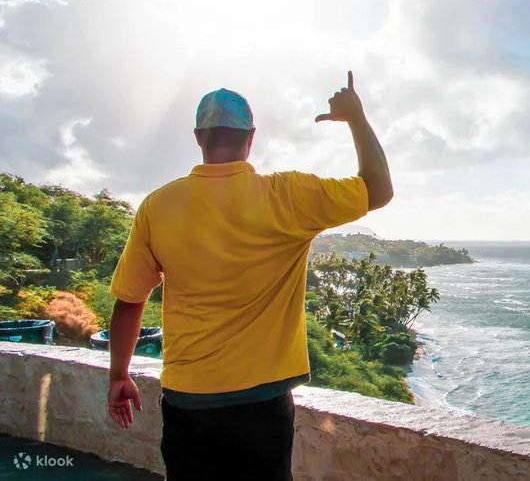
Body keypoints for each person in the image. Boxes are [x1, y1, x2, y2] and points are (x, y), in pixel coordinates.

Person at [105, 71, 392, 480]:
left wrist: (119, 375)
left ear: (199, 137)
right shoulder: (288, 195)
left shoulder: (158, 206)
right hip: (263, 403)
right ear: (250, 136)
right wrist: (356, 117)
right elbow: (378, 189)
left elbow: (130, 300)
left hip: (188, 399)